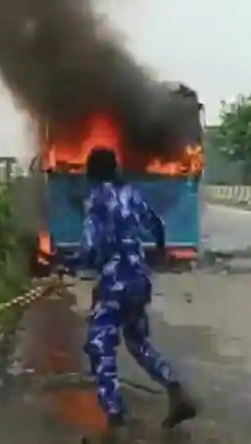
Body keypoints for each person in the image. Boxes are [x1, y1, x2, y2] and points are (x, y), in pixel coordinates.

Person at [59, 147, 196, 443]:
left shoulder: (96, 199)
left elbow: (91, 250)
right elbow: (156, 224)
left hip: (115, 281)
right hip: (139, 278)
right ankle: (176, 391)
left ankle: (116, 419)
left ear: (91, 172)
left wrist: (66, 262)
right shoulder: (129, 193)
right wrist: (159, 252)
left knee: (100, 345)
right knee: (137, 342)